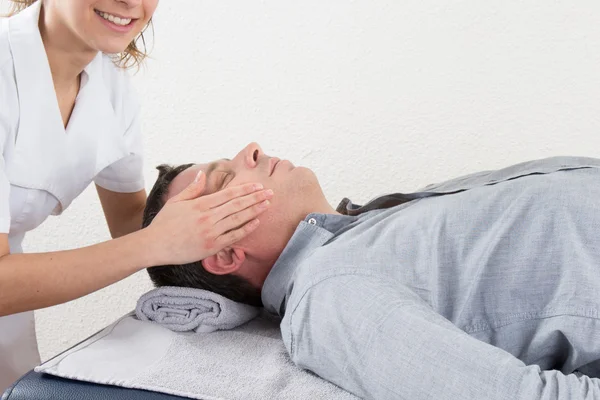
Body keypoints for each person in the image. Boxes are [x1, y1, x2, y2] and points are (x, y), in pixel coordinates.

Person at [142, 142, 600, 400]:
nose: (251, 149)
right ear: (223, 254)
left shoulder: (364, 229)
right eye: (226, 178)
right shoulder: (328, 296)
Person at [0, 1, 274, 390]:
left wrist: (240, 241)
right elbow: (149, 239)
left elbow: (134, 221)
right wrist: (157, 242)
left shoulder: (109, 89)